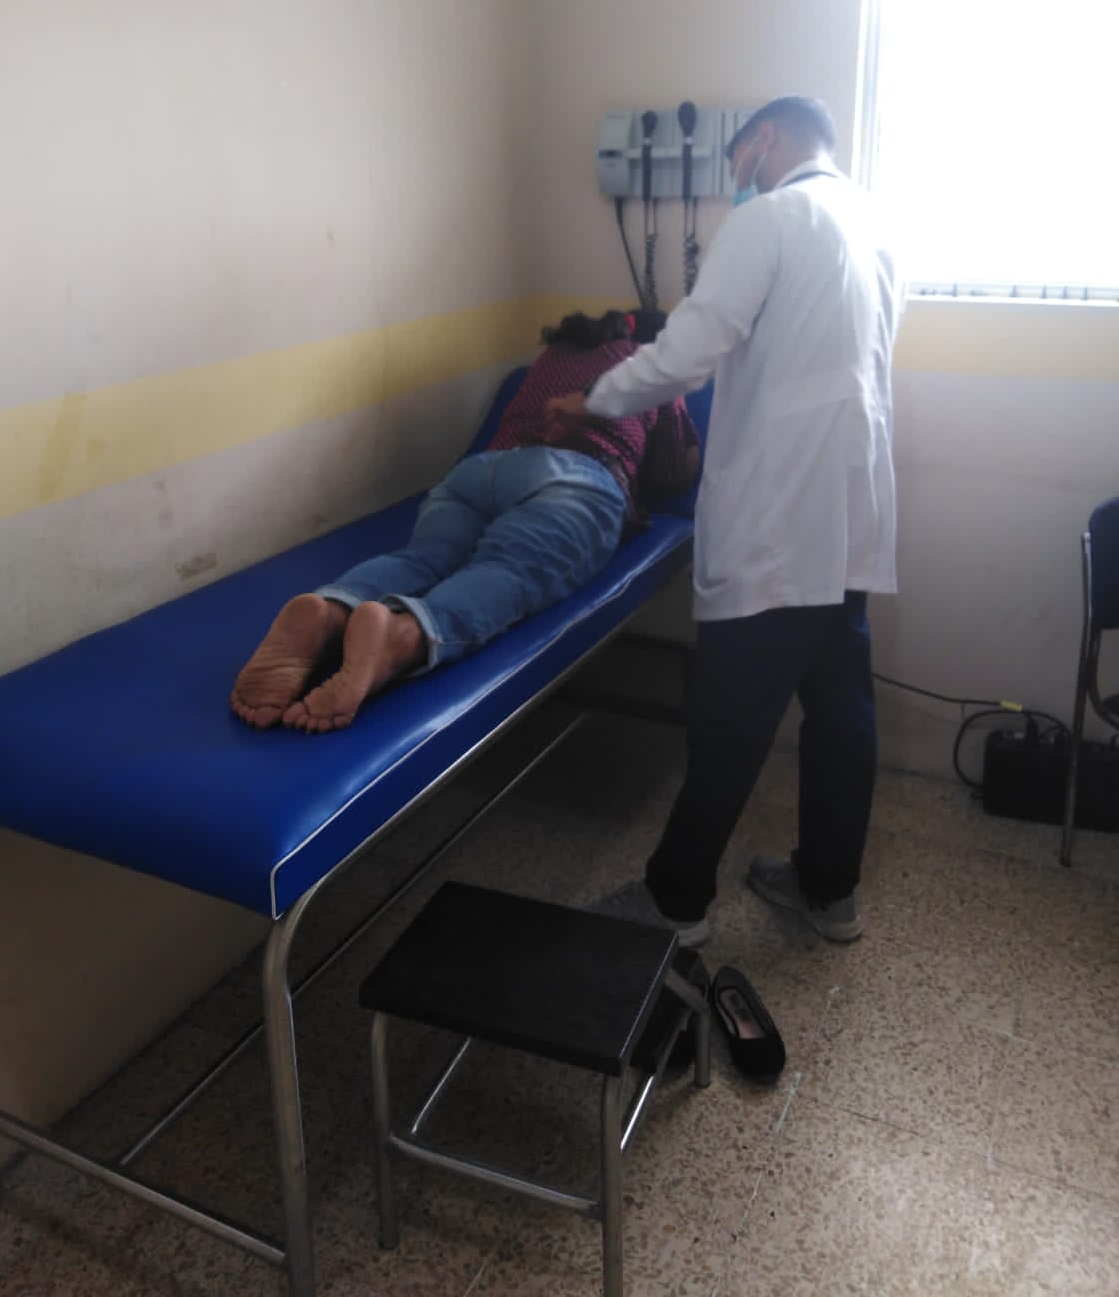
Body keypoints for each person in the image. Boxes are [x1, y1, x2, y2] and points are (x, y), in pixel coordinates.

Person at [547, 95, 904, 948]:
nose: (736, 176)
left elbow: (685, 354)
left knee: (730, 717)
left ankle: (675, 905)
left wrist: (591, 399)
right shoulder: (874, 231)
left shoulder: (772, 218)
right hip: (849, 517)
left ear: (765, 140)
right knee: (841, 713)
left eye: (738, 158)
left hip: (782, 518)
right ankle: (828, 892)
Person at [230, 309, 699, 733]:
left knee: (422, 559)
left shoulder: (557, 353)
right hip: (574, 478)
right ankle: (403, 635)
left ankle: (332, 609)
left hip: (481, 471)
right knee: (507, 572)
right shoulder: (651, 368)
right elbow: (674, 471)